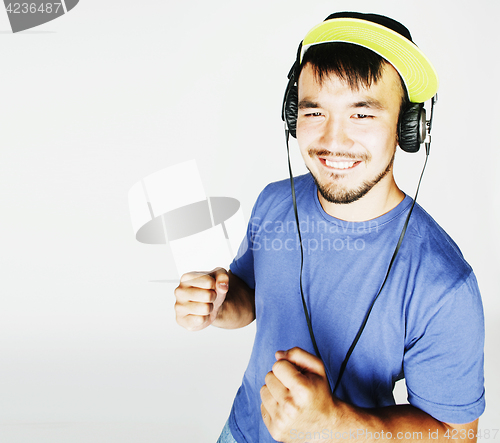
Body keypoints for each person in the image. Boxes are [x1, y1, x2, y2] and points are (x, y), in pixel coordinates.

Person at [174, 12, 485, 443]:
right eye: (315, 111)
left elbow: (456, 434)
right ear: (291, 117)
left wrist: (336, 425)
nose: (333, 139)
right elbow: (250, 297)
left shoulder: (444, 284)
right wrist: (218, 303)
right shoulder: (274, 200)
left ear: (408, 128)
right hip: (241, 431)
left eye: (362, 114)